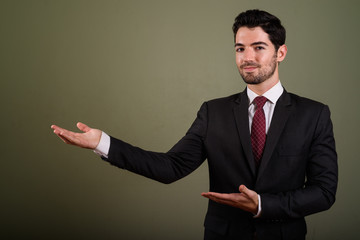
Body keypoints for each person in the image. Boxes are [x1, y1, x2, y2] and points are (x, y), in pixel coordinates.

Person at [51, 9, 338, 240]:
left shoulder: (314, 114)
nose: (247, 58)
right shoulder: (213, 112)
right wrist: (103, 142)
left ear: (281, 52)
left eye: (258, 47)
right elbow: (170, 167)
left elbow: (324, 191)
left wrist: (263, 205)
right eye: (240, 48)